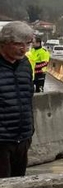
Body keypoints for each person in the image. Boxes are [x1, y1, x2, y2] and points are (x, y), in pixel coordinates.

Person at [0, 22, 36, 178]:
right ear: (4, 43)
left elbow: (28, 97)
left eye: (27, 44)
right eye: (18, 44)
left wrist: (30, 130)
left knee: (19, 186)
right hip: (2, 140)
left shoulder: (25, 64)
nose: (24, 49)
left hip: (23, 137)